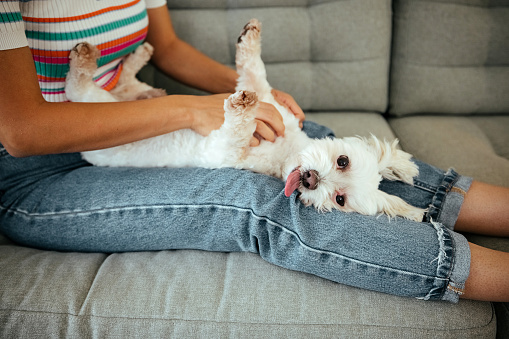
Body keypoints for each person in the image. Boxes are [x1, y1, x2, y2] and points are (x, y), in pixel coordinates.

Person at [0, 0, 508, 303]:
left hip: (131, 111)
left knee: (316, 147)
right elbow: (22, 131)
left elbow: (169, 47)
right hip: (39, 170)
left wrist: (254, 97)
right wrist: (191, 111)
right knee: (263, 198)